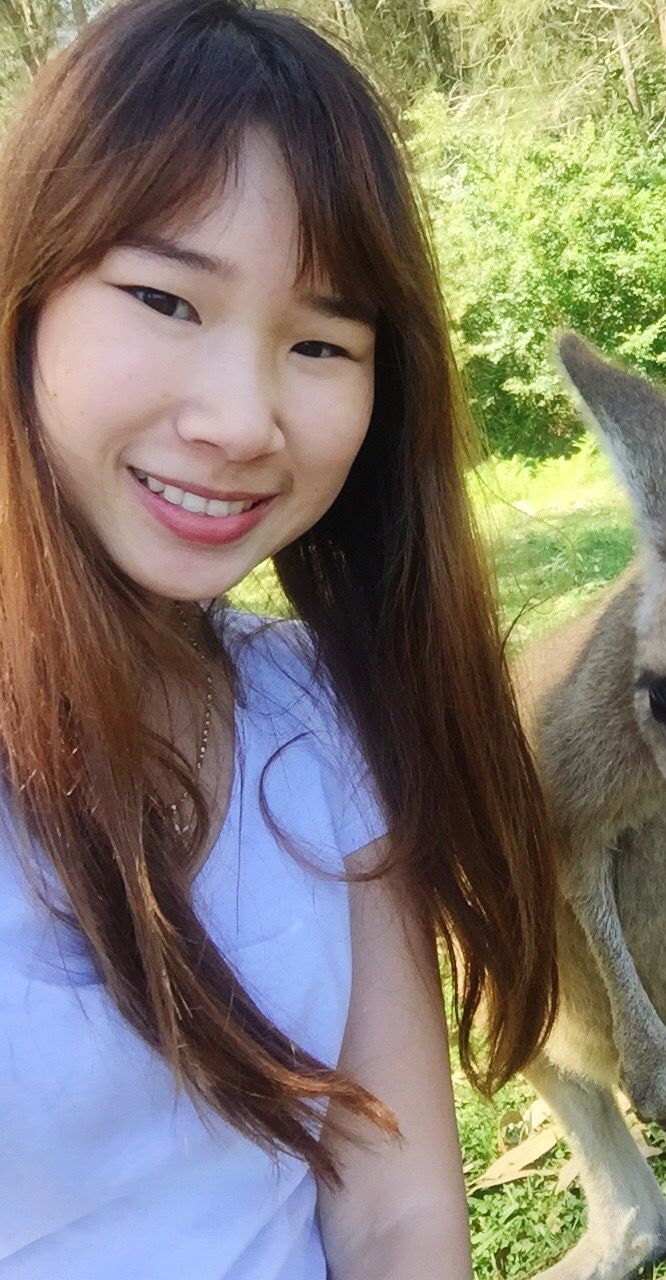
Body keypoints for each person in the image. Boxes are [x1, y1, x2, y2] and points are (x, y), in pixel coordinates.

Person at [0, 1, 558, 1276]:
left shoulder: (315, 714)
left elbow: (393, 1193)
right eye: (165, 297)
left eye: (319, 341)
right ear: (24, 292)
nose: (242, 419)